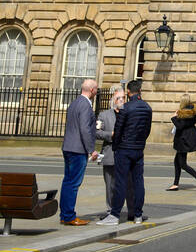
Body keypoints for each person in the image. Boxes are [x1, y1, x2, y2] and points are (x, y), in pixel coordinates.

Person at [99, 78, 152, 226]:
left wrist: (116, 147)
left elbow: (119, 130)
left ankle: (115, 215)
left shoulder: (125, 108)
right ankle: (138, 215)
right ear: (140, 91)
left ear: (128, 92)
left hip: (124, 149)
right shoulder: (147, 108)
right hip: (138, 149)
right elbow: (147, 130)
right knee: (138, 182)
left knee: (120, 183)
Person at [59, 78, 99, 226]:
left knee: (68, 182)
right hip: (78, 149)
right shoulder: (85, 105)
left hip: (68, 147)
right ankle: (69, 216)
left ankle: (64, 214)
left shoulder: (74, 103)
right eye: (96, 89)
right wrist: (91, 150)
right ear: (92, 90)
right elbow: (84, 129)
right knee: (74, 183)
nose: (96, 92)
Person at [95, 86, 125, 217]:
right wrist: (110, 134)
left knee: (124, 185)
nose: (121, 100)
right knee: (110, 185)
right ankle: (110, 210)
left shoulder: (128, 113)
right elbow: (96, 132)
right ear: (113, 99)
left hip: (125, 154)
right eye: (118, 98)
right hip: (110, 153)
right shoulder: (104, 115)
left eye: (123, 98)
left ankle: (119, 209)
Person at [167, 99, 196, 192]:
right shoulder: (192, 112)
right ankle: (175, 184)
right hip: (185, 139)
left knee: (182, 164)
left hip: (183, 140)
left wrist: (174, 117)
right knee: (176, 162)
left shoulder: (186, 113)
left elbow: (180, 126)